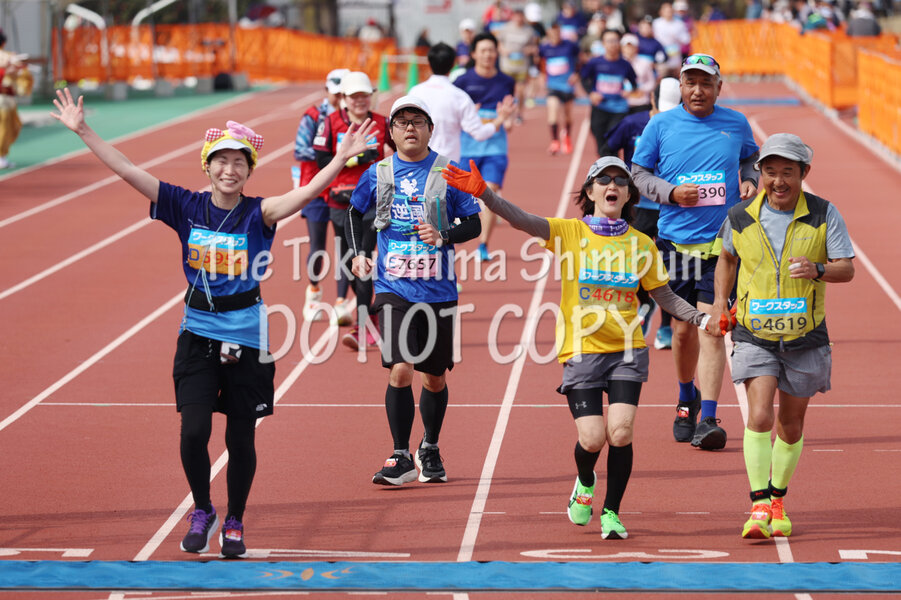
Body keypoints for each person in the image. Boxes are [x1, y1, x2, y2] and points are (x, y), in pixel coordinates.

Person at [50, 88, 375, 558]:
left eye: (239, 163)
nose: (229, 169)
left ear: (248, 171)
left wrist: (341, 157)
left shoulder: (259, 213)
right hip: (198, 333)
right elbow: (127, 170)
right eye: (221, 161)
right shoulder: (185, 206)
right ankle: (203, 509)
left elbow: (306, 194)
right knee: (193, 431)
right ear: (208, 166)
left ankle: (236, 520)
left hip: (247, 337)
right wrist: (84, 131)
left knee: (241, 438)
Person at [443, 155, 720, 539]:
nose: (612, 185)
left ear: (629, 194)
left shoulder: (642, 244)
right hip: (582, 348)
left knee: (620, 432)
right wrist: (486, 196)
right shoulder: (570, 233)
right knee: (592, 438)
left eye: (620, 180)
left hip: (627, 349)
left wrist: (702, 319)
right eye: (603, 180)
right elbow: (521, 219)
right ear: (590, 191)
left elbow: (665, 296)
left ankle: (611, 512)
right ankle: (585, 482)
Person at [713, 133, 854, 538]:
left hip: (805, 337)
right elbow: (727, 258)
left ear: (804, 173)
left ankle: (778, 498)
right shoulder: (740, 215)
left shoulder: (824, 214)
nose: (778, 181)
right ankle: (759, 504)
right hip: (753, 333)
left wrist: (818, 269)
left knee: (790, 424)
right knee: (758, 415)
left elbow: (846, 268)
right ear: (760, 173)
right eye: (770, 171)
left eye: (787, 172)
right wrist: (721, 302)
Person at [347, 95, 482, 486]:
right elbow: (355, 213)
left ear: (430, 130)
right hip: (393, 288)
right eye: (402, 122)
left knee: (434, 378)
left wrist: (444, 235)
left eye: (417, 121)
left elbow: (474, 223)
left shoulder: (448, 172)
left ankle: (431, 446)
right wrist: (358, 254)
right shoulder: (377, 173)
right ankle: (400, 455)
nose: (410, 128)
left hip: (438, 291)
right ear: (391, 132)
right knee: (401, 368)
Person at [631, 53, 760, 450]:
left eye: (706, 83)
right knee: (683, 332)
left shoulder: (736, 123)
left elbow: (751, 156)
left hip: (722, 248)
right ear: (682, 87)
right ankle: (686, 396)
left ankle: (708, 418)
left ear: (718, 88)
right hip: (675, 245)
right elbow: (638, 173)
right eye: (691, 83)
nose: (698, 90)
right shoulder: (660, 125)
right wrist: (670, 193)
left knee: (713, 328)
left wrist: (750, 179)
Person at [313, 71, 394, 349]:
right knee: (350, 263)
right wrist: (355, 158)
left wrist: (390, 161)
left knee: (362, 259)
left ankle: (363, 326)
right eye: (354, 96)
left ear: (371, 96)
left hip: (373, 205)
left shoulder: (382, 123)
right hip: (340, 202)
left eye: (364, 95)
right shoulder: (330, 123)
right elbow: (321, 160)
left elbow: (402, 152)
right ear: (343, 99)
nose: (360, 100)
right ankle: (373, 312)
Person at [605, 77, 681, 347]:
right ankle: (645, 304)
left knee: (669, 269)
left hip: (672, 208)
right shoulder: (632, 124)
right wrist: (616, 179)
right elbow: (607, 148)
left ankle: (665, 327)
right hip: (637, 208)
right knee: (635, 265)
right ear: (651, 100)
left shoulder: (684, 126)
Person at [293, 68, 350, 322]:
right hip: (315, 188)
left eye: (343, 93)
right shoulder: (313, 116)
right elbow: (299, 149)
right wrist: (331, 155)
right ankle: (314, 293)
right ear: (327, 91)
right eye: (335, 93)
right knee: (317, 246)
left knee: (344, 246)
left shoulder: (352, 119)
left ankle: (340, 302)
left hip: (342, 189)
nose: (339, 98)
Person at [454, 32, 516, 262]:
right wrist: (472, 116)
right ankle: (456, 235)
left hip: (495, 150)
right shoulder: (462, 82)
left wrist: (506, 120)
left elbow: (509, 120)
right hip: (466, 149)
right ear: (474, 54)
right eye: (483, 50)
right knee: (460, 199)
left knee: (489, 194)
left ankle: (483, 245)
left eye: (491, 50)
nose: (488, 55)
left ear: (496, 53)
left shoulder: (506, 82)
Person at [409, 42, 514, 164]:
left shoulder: (415, 92)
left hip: (418, 162)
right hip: (446, 165)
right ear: (454, 63)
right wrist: (500, 119)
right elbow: (479, 133)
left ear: (429, 62)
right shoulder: (460, 97)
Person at [580, 28, 638, 158]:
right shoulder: (595, 63)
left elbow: (634, 83)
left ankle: (614, 166)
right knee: (601, 145)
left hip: (619, 109)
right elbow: (583, 79)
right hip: (600, 107)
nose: (612, 44)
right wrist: (591, 93)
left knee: (612, 141)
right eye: (609, 41)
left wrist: (628, 91)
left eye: (615, 41)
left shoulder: (625, 64)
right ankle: (606, 165)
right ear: (603, 43)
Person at [539, 22, 581, 155]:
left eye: (557, 32)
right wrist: (542, 75)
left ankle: (567, 136)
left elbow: (580, 60)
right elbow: (540, 62)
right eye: (552, 32)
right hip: (553, 86)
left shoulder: (570, 46)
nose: (555, 35)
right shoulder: (544, 48)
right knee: (552, 110)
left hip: (567, 86)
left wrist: (576, 74)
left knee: (567, 116)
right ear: (548, 33)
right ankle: (555, 141)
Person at [495, 7, 539, 124]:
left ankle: (519, 113)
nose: (519, 19)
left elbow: (534, 47)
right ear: (513, 17)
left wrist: (529, 50)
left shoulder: (529, 31)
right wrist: (503, 50)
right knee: (506, 91)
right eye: (517, 16)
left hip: (521, 66)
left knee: (520, 91)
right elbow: (498, 44)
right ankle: (506, 114)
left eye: (521, 16)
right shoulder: (506, 28)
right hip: (507, 66)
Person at [0, 28, 24, 170]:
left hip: (6, 98)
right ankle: (1, 156)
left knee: (11, 127)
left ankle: (2, 155)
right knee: (5, 127)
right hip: (3, 98)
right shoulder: (6, 58)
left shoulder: (7, 57)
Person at [620, 33, 656, 114]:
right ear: (622, 48)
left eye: (631, 46)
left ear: (636, 48)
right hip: (622, 104)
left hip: (641, 102)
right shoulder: (617, 63)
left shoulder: (645, 62)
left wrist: (642, 90)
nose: (629, 49)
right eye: (626, 46)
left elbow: (651, 82)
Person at [652, 3, 691, 76]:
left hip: (675, 56)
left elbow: (686, 39)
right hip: (661, 55)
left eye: (670, 11)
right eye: (666, 11)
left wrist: (677, 36)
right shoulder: (656, 23)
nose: (668, 13)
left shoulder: (679, 24)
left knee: (676, 76)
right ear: (661, 12)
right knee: (662, 76)